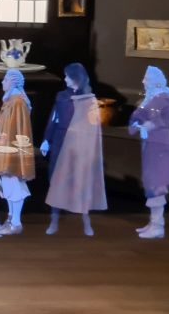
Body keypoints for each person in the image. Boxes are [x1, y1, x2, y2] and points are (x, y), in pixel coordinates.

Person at [42, 63, 107, 236]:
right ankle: (54, 220)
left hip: (79, 143)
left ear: (75, 78)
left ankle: (86, 222)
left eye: (67, 76)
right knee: (56, 180)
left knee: (80, 180)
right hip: (60, 141)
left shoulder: (88, 99)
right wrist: (46, 140)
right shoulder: (61, 96)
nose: (64, 79)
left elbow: (93, 125)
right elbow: (54, 119)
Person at [129, 66, 169, 239]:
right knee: (151, 182)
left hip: (158, 144)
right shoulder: (152, 98)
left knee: (157, 183)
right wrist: (138, 124)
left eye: (147, 79)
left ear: (156, 81)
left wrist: (145, 125)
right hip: (151, 143)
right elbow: (139, 115)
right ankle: (153, 223)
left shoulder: (162, 97)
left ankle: (158, 226)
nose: (143, 82)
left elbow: (156, 119)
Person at [0, 69, 35, 235]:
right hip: (4, 148)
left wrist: (6, 146)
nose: (2, 82)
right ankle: (11, 219)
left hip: (10, 151)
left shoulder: (17, 102)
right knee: (8, 186)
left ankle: (15, 223)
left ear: (13, 82)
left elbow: (18, 129)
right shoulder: (11, 101)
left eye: (5, 80)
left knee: (14, 187)